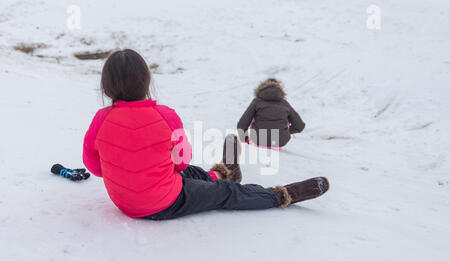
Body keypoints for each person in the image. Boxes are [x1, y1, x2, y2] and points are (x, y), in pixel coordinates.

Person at [83, 49, 329, 220]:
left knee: (192, 174)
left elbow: (93, 164)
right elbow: (180, 161)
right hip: (162, 203)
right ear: (146, 82)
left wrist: (129, 168)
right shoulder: (165, 116)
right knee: (226, 193)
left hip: (124, 201)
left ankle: (223, 173)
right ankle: (280, 195)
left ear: (107, 86)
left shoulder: (100, 118)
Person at [237, 78, 305, 149]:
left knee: (255, 118)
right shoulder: (284, 103)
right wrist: (285, 132)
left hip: (259, 139)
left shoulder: (256, 102)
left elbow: (242, 124)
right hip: (280, 140)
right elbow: (299, 126)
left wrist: (245, 139)